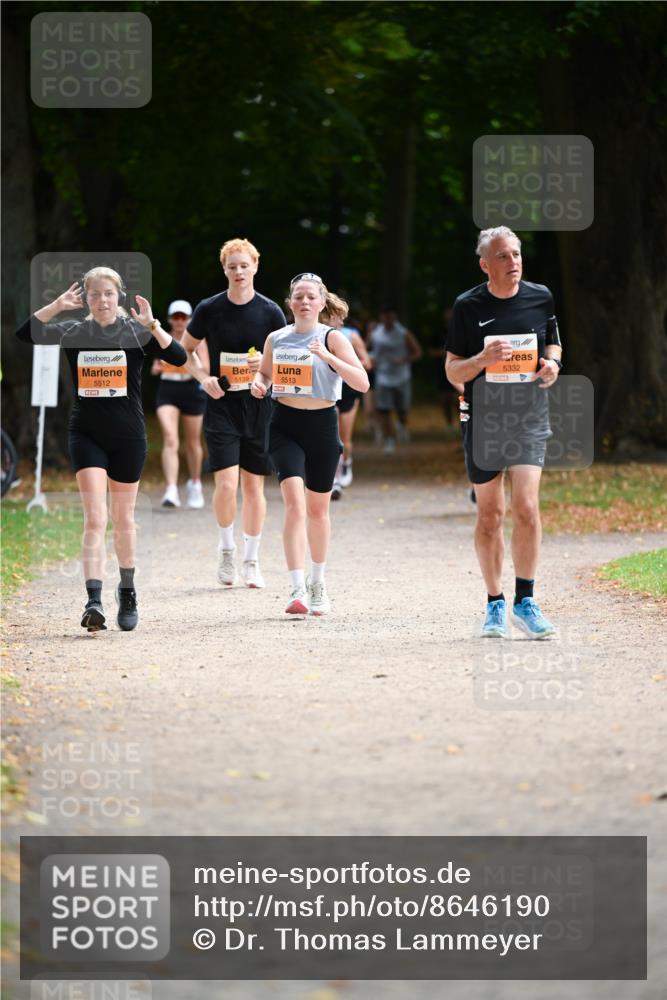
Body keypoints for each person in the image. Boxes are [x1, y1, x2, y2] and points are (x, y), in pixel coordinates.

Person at [16, 267, 186, 632]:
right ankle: (93, 601)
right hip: (87, 435)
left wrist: (153, 325)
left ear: (118, 296)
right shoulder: (75, 331)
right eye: (94, 294)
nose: (102, 300)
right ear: (87, 299)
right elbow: (26, 333)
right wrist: (56, 306)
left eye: (108, 293)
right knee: (95, 518)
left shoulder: (135, 332)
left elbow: (179, 357)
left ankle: (127, 591)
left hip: (128, 438)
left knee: (123, 518)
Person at [445, 226, 563, 640]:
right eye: (502, 256)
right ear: (485, 264)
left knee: (526, 507)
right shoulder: (468, 306)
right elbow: (452, 371)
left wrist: (552, 364)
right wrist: (481, 358)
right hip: (484, 421)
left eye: (516, 254)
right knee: (490, 515)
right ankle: (495, 602)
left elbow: (553, 342)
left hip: (529, 416)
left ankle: (525, 601)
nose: (513, 262)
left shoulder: (540, 296)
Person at [250, 273, 369, 616]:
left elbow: (362, 383)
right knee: (294, 505)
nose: (304, 302)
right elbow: (265, 373)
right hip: (284, 424)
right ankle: (296, 587)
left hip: (322, 426)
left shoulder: (333, 337)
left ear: (321, 303)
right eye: (298, 297)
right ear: (290, 302)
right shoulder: (276, 338)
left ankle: (318, 582)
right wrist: (259, 384)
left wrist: (328, 357)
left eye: (310, 297)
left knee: (318, 510)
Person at [180, 239, 286, 589]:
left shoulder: (271, 311)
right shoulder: (209, 308)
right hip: (222, 404)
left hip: (258, 405)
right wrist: (203, 378)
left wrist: (265, 369)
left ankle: (252, 560)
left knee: (254, 486)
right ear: (224, 269)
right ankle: (226, 550)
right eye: (232, 267)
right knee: (226, 484)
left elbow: (285, 359)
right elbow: (185, 351)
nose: (238, 272)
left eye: (244, 265)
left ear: (256, 266)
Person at [151, 299, 208, 509]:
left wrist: (185, 366)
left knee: (193, 442)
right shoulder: (162, 338)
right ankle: (171, 489)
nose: (179, 321)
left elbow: (206, 368)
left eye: (183, 317)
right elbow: (155, 365)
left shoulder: (198, 340)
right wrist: (157, 368)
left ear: (190, 319)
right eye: (176, 317)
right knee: (170, 438)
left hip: (192, 390)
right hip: (168, 391)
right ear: (169, 319)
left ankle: (195, 483)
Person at [317, 296, 370, 500]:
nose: (333, 320)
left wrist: (344, 364)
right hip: (326, 389)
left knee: (344, 438)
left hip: (348, 389)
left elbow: (367, 362)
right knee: (331, 436)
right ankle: (333, 479)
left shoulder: (351, 335)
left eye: (336, 316)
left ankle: (346, 462)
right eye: (328, 316)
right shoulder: (314, 335)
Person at [369, 307, 422, 455]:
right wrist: (370, 360)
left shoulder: (403, 333)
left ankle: (401, 424)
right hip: (382, 377)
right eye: (384, 317)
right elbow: (366, 350)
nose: (387, 320)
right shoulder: (375, 333)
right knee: (383, 410)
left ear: (394, 317)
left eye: (390, 317)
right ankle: (389, 440)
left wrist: (405, 359)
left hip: (401, 377)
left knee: (402, 409)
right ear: (381, 317)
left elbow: (418, 352)